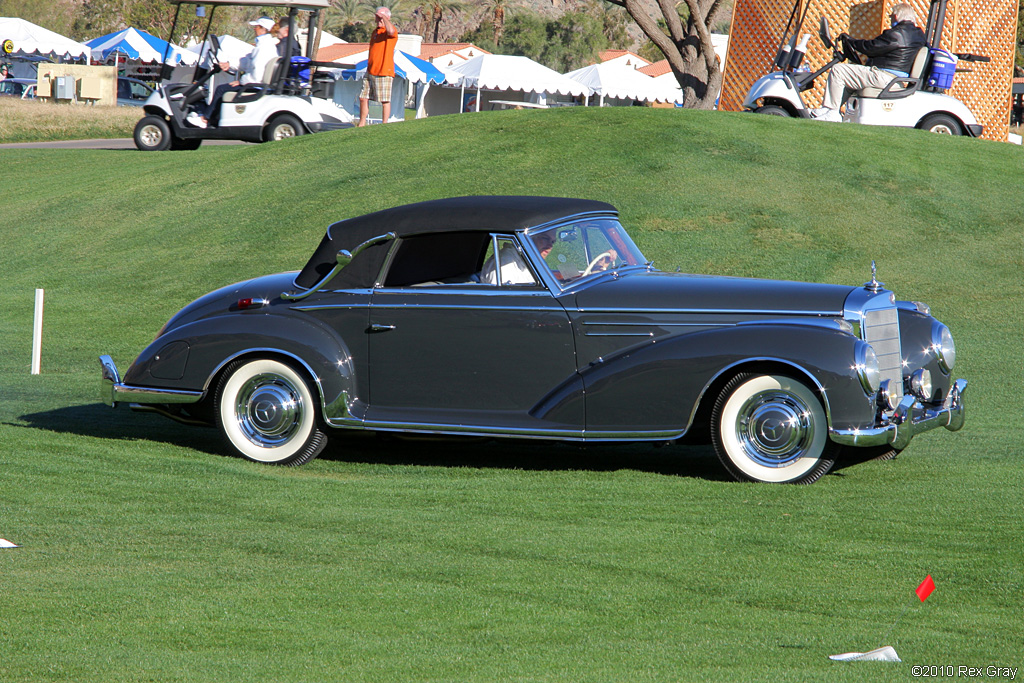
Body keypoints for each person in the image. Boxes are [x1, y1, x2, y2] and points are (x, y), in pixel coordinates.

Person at [811, 3, 926, 123]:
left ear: (896, 16)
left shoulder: (897, 33)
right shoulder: (919, 34)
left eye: (891, 16)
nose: (890, 19)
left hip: (885, 77)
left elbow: (871, 48)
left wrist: (852, 41)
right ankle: (829, 110)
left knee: (838, 70)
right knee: (851, 80)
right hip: (895, 79)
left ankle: (831, 111)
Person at [187, 16, 279, 128]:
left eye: (256, 27)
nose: (254, 29)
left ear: (262, 28)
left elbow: (256, 72)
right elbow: (246, 61)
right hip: (256, 83)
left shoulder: (263, 48)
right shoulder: (264, 46)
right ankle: (213, 120)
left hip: (255, 85)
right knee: (223, 88)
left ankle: (205, 119)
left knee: (221, 89)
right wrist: (229, 64)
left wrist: (241, 82)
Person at [357, 7, 398, 127]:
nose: (378, 20)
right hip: (371, 70)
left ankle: (384, 124)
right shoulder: (375, 32)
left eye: (381, 17)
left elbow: (391, 31)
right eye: (377, 17)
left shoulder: (390, 31)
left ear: (387, 17)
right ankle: (362, 123)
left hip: (384, 71)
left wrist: (384, 18)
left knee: (384, 100)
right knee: (363, 98)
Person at [480, 233, 554, 285]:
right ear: (530, 237)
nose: (550, 246)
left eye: (553, 242)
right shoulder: (505, 264)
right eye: (545, 238)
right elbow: (504, 301)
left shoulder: (530, 259)